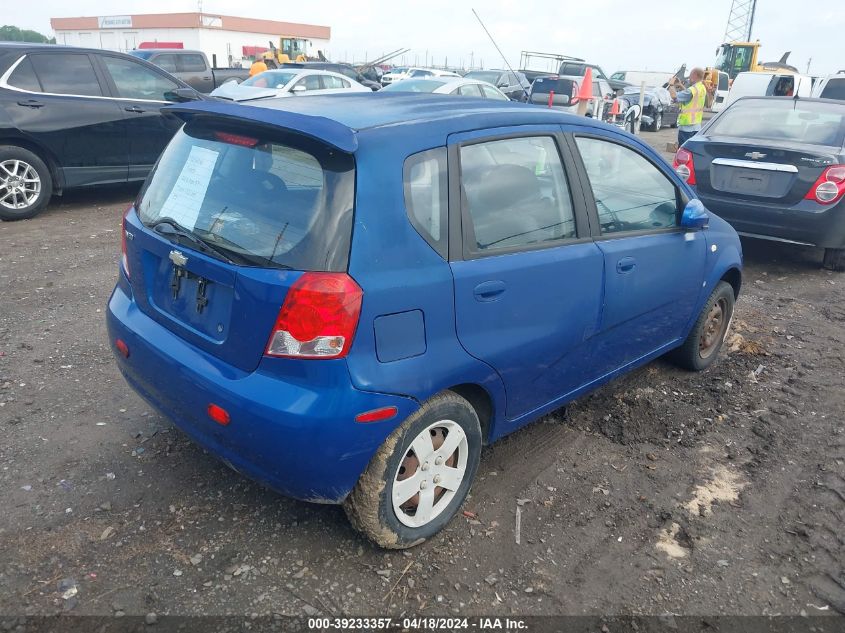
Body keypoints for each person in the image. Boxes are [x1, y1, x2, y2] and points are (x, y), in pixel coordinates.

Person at [669, 68, 707, 147]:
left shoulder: (692, 90)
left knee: (684, 151)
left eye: (690, 75)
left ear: (694, 75)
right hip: (696, 126)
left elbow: (674, 96)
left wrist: (671, 84)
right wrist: (680, 85)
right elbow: (690, 96)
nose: (689, 77)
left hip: (687, 127)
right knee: (691, 150)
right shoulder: (702, 88)